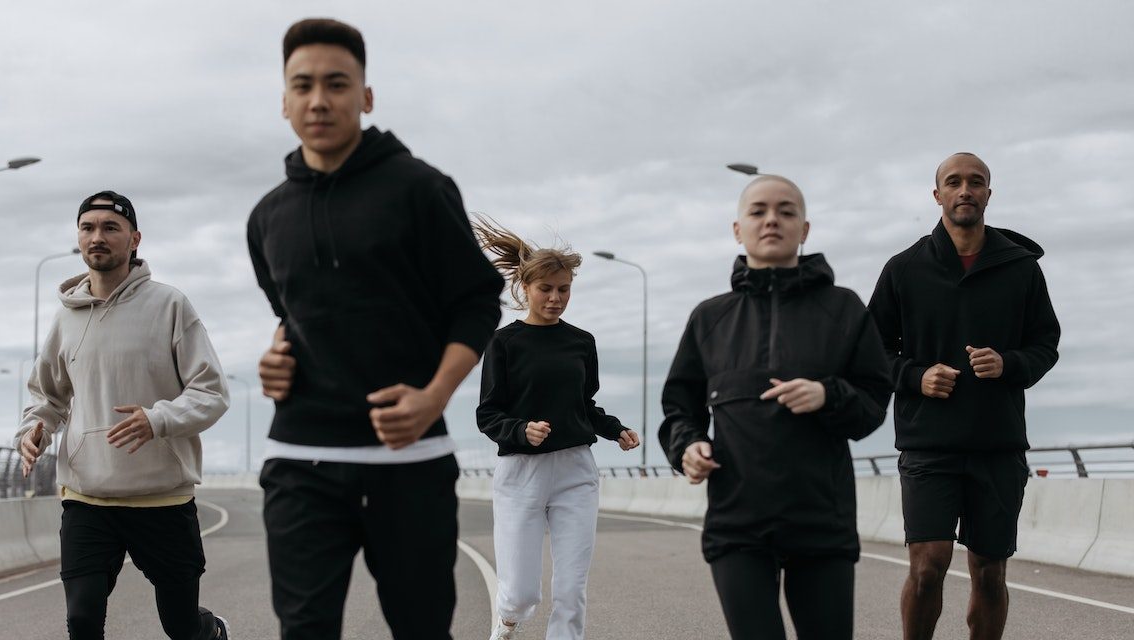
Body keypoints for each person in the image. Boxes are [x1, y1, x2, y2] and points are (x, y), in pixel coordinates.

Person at [246, 18, 504, 639]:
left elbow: (476, 303)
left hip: (408, 457)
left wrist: (433, 398)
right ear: (284, 102)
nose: (318, 100)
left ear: (365, 96)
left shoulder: (421, 189)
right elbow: (293, 315)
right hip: (300, 456)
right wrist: (275, 359)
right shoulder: (267, 217)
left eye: (336, 84)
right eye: (302, 85)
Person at [659, 175, 892, 639]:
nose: (771, 220)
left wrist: (828, 395)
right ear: (737, 229)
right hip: (737, 524)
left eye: (786, 212)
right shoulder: (710, 317)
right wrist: (688, 447)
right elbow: (680, 407)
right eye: (758, 211)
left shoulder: (844, 309)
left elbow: (873, 405)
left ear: (804, 230)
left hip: (821, 522)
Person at [16, 190, 231, 639]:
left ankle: (211, 632)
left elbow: (211, 392)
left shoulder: (170, 306)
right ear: (78, 237)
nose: (97, 237)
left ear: (134, 240)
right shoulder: (66, 319)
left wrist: (157, 419)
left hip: (162, 499)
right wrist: (34, 431)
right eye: (88, 227)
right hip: (87, 497)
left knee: (181, 626)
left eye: (110, 228)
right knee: (82, 620)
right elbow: (48, 397)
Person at [868, 153, 1060, 640]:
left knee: (990, 574)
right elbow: (869, 351)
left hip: (998, 445)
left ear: (988, 194)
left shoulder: (1021, 269)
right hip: (928, 445)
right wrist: (916, 377)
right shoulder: (904, 269)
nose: (965, 190)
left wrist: (1008, 364)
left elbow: (1045, 344)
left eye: (976, 182)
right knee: (927, 566)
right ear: (937, 195)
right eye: (953, 182)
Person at [472, 218, 639, 640]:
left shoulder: (581, 342)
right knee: (521, 593)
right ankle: (507, 620)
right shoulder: (504, 343)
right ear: (525, 287)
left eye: (564, 289)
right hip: (521, 473)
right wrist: (520, 430)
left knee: (570, 589)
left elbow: (584, 405)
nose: (555, 298)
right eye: (546, 288)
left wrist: (616, 430)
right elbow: (488, 414)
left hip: (575, 471)